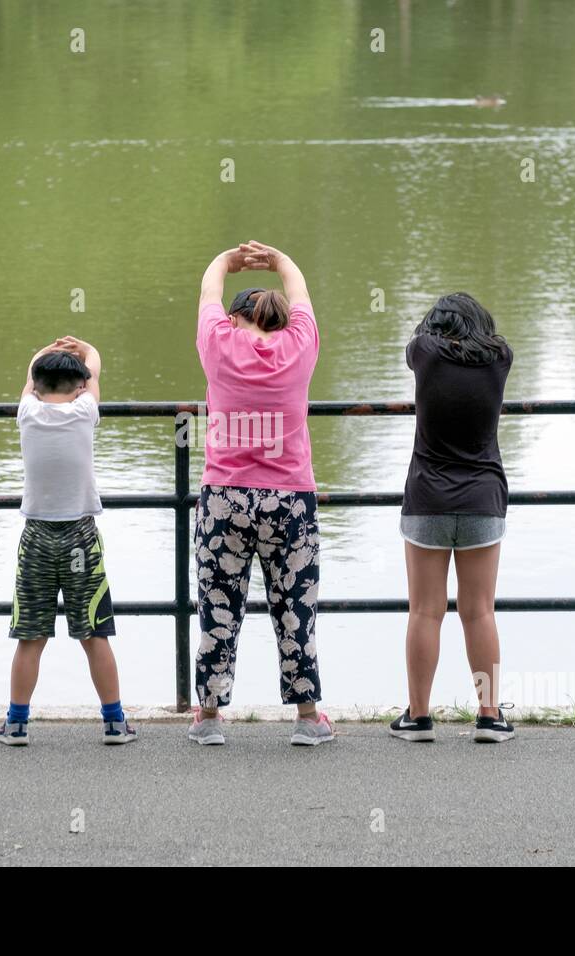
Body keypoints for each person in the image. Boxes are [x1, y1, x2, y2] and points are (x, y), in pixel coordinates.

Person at [190, 241, 332, 746]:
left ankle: (207, 720)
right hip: (289, 499)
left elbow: (208, 291)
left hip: (225, 498)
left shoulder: (219, 346)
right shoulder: (300, 347)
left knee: (218, 608)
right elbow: (303, 297)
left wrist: (226, 261)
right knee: (295, 607)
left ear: (232, 320)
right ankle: (308, 719)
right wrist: (281, 261)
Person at [0, 336, 136, 746]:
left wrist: (41, 351)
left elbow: (30, 375)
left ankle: (17, 724)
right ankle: (114, 723)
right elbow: (94, 368)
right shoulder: (84, 410)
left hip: (37, 535)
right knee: (94, 634)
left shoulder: (27, 411)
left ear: (36, 387)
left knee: (30, 637)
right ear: (79, 386)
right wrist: (85, 347)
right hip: (80, 536)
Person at [390, 293, 516, 744]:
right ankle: (489, 715)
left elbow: (414, 346)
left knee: (425, 611)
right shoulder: (500, 358)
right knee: (479, 611)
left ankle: (419, 718)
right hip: (482, 497)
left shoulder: (425, 354)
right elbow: (486, 343)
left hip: (428, 497)